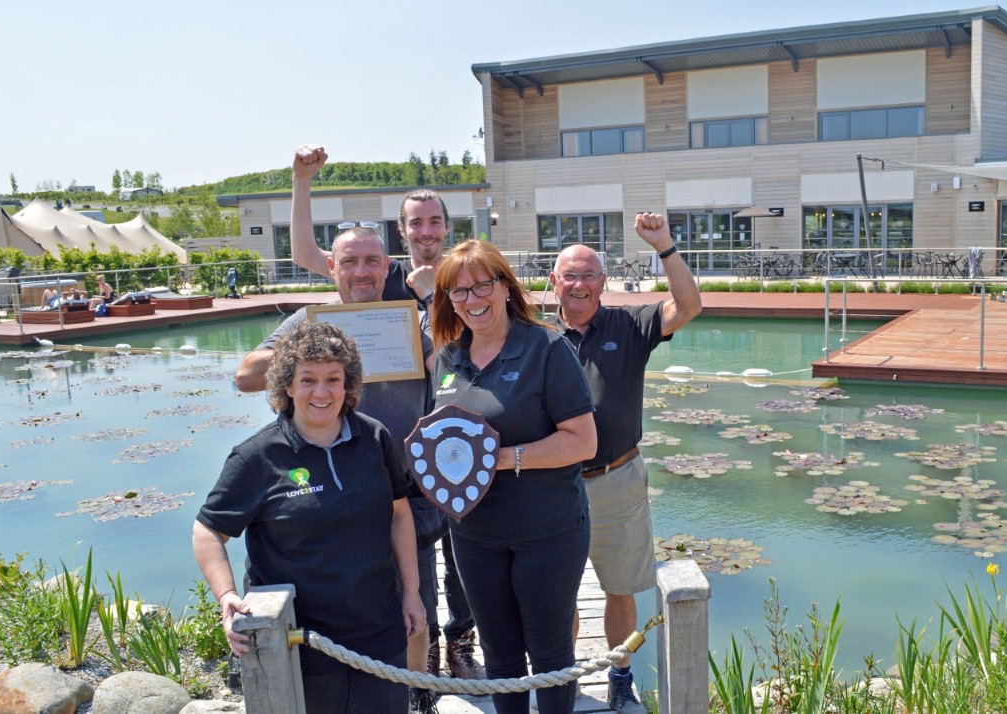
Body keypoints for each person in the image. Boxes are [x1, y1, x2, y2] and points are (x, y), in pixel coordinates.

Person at [289, 144, 487, 708]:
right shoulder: (388, 275)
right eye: (415, 223)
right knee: (415, 566)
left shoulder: (463, 272)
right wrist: (303, 181)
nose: (426, 231)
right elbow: (311, 252)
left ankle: (461, 642)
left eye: (434, 221)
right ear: (402, 233)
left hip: (452, 444)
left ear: (448, 226)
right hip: (387, 455)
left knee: (464, 558)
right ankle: (413, 678)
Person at [195, 321, 425, 712]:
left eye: (333, 379)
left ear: (348, 384)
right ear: (287, 385)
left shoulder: (374, 437)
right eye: (308, 380)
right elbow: (207, 532)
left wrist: (412, 592)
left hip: (378, 630)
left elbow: (400, 515)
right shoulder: (256, 456)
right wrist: (227, 596)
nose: (321, 392)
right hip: (299, 640)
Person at [429, 240, 596, 714]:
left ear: (504, 287)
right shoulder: (448, 358)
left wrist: (499, 458)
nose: (471, 299)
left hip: (548, 531)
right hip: (474, 534)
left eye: (482, 284)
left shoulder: (546, 347)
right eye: (457, 291)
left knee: (549, 653)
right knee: (499, 654)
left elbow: (583, 442)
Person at [550, 213, 701, 710]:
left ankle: (619, 672)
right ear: (554, 282)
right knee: (560, 591)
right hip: (553, 485)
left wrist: (665, 246)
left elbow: (690, 305)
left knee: (619, 588)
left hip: (618, 477)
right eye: (569, 275)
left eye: (588, 275)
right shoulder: (534, 337)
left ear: (603, 282)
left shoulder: (629, 323)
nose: (579, 284)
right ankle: (564, 674)